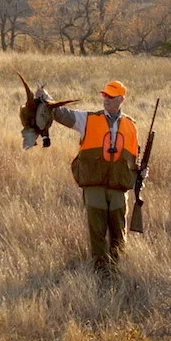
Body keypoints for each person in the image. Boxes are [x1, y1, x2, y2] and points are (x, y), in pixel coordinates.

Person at [52, 80, 144, 270]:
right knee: (97, 232)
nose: (106, 99)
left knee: (119, 233)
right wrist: (45, 99)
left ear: (121, 99)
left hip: (118, 187)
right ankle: (100, 271)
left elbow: (134, 157)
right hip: (94, 185)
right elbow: (61, 115)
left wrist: (141, 171)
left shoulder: (131, 126)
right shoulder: (88, 119)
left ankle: (117, 269)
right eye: (105, 95)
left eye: (111, 96)